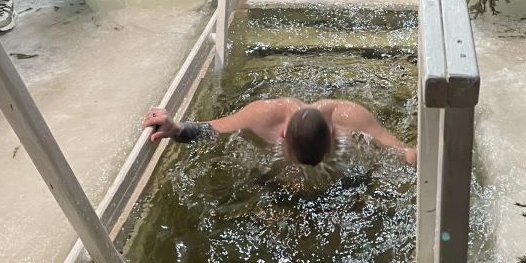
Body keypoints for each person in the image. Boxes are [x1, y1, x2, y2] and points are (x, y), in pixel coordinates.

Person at [143, 98, 417, 166]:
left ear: (335, 133)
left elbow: (404, 152)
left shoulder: (350, 118)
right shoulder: (263, 115)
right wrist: (175, 128)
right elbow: (212, 129)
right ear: (281, 135)